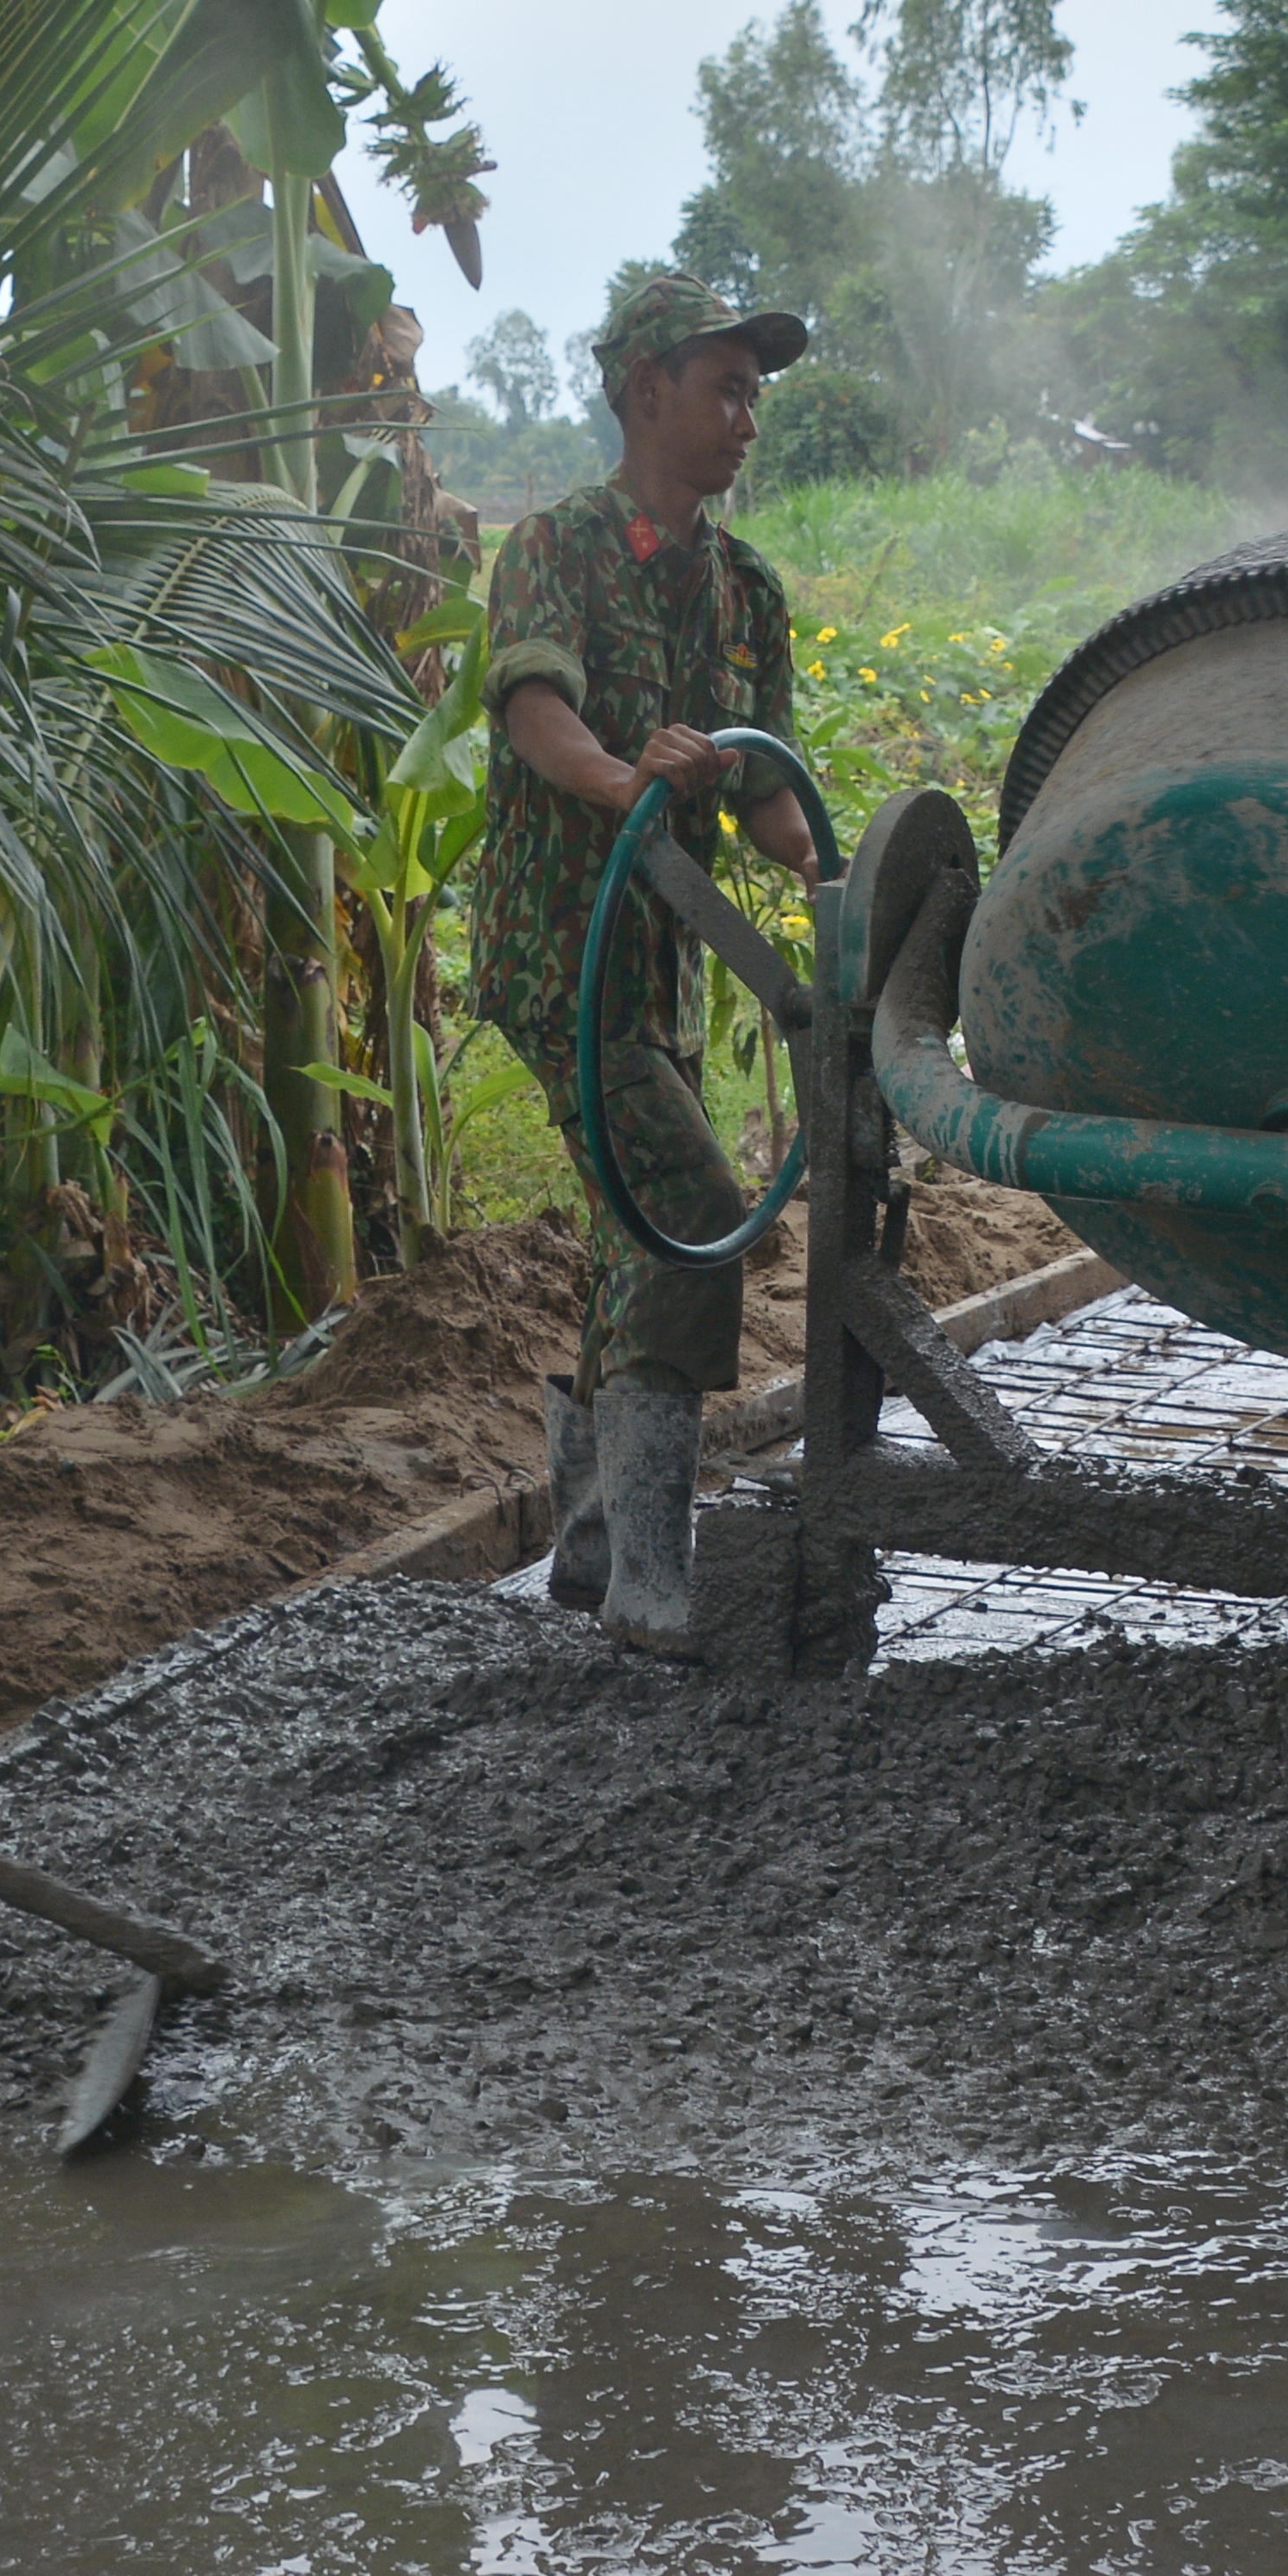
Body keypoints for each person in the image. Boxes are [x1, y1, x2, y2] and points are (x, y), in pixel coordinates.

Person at [466, 273, 829, 1657]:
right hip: (562, 955)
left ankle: (592, 1539)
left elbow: (770, 797)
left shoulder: (745, 591)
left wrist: (838, 870)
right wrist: (625, 782)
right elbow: (535, 711)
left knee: (632, 1213)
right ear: (644, 395)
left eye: (755, 394)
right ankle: (651, 1587)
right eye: (725, 387)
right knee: (689, 1205)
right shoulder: (555, 548)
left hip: (666, 958)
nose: (747, 417)